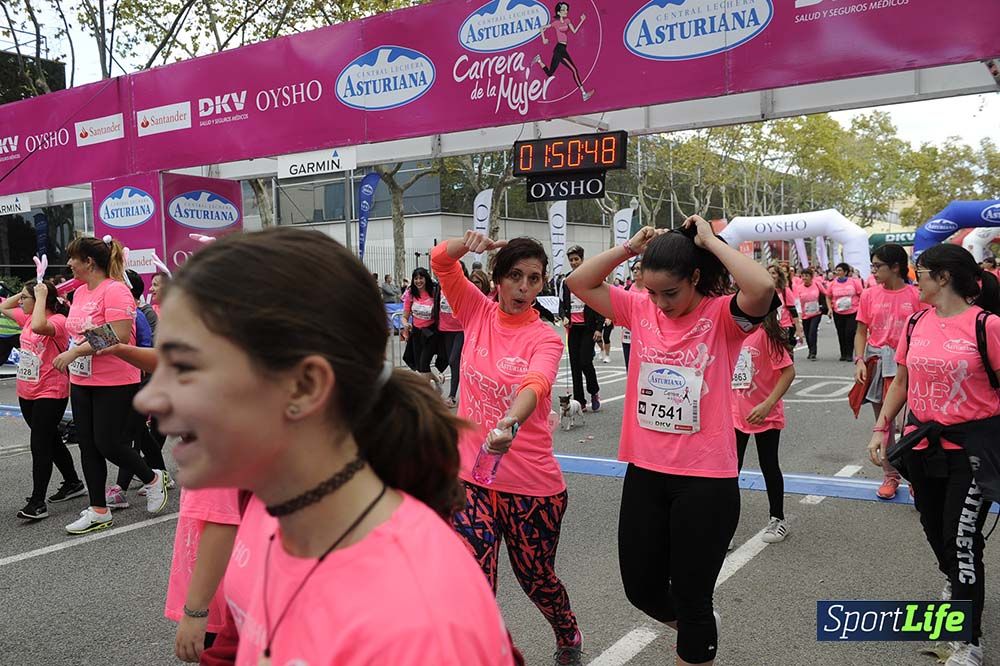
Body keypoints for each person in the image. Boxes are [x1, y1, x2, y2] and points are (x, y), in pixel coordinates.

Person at [133, 227, 514, 665]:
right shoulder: (266, 502)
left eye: (187, 367)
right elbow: (254, 633)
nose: (149, 397)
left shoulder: (416, 624)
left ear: (306, 386)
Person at [565, 216, 776, 666]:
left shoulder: (721, 316)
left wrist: (711, 242)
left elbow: (760, 288)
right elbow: (579, 282)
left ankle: (697, 635)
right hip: (646, 470)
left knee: (692, 597)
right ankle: (699, 630)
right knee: (640, 588)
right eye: (652, 291)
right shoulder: (639, 308)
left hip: (705, 479)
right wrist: (630, 248)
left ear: (695, 278)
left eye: (671, 293)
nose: (661, 304)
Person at [433, 231, 583, 666]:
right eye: (515, 276)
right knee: (474, 580)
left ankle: (566, 631)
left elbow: (536, 383)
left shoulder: (546, 337)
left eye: (534, 279)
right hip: (470, 479)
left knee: (536, 578)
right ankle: (485, 653)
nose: (523, 287)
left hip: (530, 485)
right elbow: (442, 262)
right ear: (497, 279)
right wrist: (468, 243)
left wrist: (510, 421)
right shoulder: (475, 311)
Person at [867, 243, 1000, 666]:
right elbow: (901, 382)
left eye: (920, 271)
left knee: (961, 541)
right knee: (933, 527)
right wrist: (880, 427)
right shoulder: (916, 321)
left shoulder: (987, 326)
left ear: (943, 277)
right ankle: (956, 582)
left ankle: (967, 643)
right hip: (921, 445)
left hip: (972, 450)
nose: (915, 278)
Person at [52, 236, 168, 534]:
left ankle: (153, 479)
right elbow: (76, 331)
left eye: (72, 258)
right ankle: (99, 509)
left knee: (109, 443)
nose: (68, 264)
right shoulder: (78, 294)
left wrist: (76, 351)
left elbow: (117, 335)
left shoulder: (116, 291)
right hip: (82, 378)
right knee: (87, 445)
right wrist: (74, 351)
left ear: (88, 262)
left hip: (116, 380)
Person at [0, 280, 84, 520]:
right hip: (27, 391)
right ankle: (73, 482)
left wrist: (40, 295)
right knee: (51, 439)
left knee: (40, 443)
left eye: (27, 298)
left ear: (40, 302)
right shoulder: (27, 318)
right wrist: (29, 292)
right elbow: (5, 306)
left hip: (51, 390)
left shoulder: (56, 322)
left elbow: (39, 324)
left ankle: (37, 502)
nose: (22, 302)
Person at [854, 244, 925, 500]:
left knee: (909, 426)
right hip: (878, 362)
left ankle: (915, 476)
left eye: (877, 266)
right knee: (884, 425)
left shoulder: (917, 295)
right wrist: (860, 360)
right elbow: (861, 330)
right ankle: (890, 475)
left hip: (909, 365)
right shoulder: (869, 294)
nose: (873, 271)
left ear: (895, 267)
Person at [731, 310, 796, 543]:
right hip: (735, 413)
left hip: (764, 414)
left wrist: (768, 404)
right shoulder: (732, 333)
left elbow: (788, 372)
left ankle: (778, 518)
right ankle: (724, 526)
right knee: (730, 470)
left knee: (768, 464)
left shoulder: (766, 335)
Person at [560, 246, 602, 412]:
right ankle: (579, 400)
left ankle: (594, 391)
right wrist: (564, 316)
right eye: (571, 260)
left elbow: (598, 303)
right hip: (573, 328)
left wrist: (599, 327)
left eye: (576, 259)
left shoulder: (591, 277)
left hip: (588, 328)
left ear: (582, 259)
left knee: (585, 361)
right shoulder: (566, 281)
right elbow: (562, 303)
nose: (573, 262)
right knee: (575, 365)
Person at [533, 3, 593, 101]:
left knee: (550, 73)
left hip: (561, 49)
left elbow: (574, 31)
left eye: (566, 10)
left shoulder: (567, 20)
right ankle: (583, 94)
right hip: (559, 49)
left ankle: (539, 60)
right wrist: (544, 39)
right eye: (563, 10)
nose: (566, 11)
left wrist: (581, 21)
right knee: (574, 70)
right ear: (558, 12)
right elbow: (541, 28)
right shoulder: (555, 23)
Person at [401, 267, 442, 388]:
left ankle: (426, 397)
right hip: (416, 333)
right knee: (420, 366)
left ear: (426, 279)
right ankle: (438, 380)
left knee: (424, 364)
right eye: (416, 278)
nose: (418, 281)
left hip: (431, 333)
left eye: (421, 278)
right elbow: (405, 316)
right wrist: (405, 324)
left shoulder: (434, 292)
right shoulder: (410, 294)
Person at [436, 263, 466, 408]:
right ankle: (453, 393)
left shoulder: (464, 287)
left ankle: (453, 395)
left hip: (460, 329)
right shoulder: (440, 287)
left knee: (454, 360)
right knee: (451, 361)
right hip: (445, 329)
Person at [822, 262, 864, 361]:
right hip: (838, 312)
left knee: (850, 332)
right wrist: (830, 309)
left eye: (840, 270)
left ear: (845, 272)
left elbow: (862, 295)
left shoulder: (854, 282)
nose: (837, 272)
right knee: (841, 333)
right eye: (837, 270)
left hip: (852, 311)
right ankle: (843, 353)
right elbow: (828, 297)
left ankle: (850, 353)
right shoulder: (832, 284)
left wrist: (861, 308)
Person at [768, 263, 802, 353]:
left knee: (786, 353)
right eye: (769, 273)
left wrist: (798, 330)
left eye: (774, 273)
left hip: (784, 326)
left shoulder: (785, 291)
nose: (771, 276)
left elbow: (793, 311)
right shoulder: (765, 291)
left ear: (779, 276)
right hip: (769, 327)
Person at [794, 268, 824, 360]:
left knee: (812, 332)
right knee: (807, 333)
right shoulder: (798, 287)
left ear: (811, 277)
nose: (804, 278)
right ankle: (810, 350)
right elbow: (796, 301)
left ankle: (813, 352)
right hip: (804, 314)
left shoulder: (817, 284)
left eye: (806, 276)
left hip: (816, 313)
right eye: (802, 276)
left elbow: (825, 293)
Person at [621, 260, 643, 371]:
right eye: (633, 269)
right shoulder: (627, 289)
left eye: (638, 269)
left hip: (644, 334)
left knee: (642, 368)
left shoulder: (652, 290)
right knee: (629, 368)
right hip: (628, 334)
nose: (635, 271)